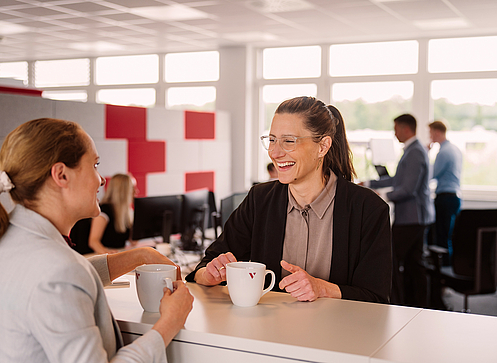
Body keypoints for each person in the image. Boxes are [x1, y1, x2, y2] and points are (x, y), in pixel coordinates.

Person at [0, 118, 193, 363]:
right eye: (95, 165)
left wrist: (138, 256)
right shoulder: (58, 270)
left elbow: (65, 278)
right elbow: (62, 277)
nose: (101, 180)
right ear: (61, 175)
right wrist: (169, 323)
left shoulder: (13, 238)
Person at [186, 96, 392, 303]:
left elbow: (376, 297)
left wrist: (322, 288)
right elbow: (206, 266)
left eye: (289, 141)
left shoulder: (369, 209)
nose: (274, 153)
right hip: (269, 332)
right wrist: (209, 274)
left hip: (338, 331)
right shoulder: (259, 200)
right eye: (272, 140)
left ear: (322, 146)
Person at [363, 114, 434, 307]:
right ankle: (417, 303)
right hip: (415, 217)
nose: (394, 133)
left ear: (405, 129)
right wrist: (369, 183)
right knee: (414, 263)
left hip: (412, 218)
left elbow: (408, 189)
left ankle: (399, 302)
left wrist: (381, 196)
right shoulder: (412, 150)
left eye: (396, 129)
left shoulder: (415, 152)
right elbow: (396, 179)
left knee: (393, 260)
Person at [428, 120, 462, 265]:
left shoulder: (444, 152)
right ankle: (448, 271)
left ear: (437, 132)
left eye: (430, 133)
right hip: (454, 197)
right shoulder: (455, 149)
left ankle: (444, 273)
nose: (430, 137)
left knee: (441, 237)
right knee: (448, 236)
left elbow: (431, 174)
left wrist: (425, 153)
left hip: (445, 198)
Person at [89, 173, 137, 254]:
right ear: (123, 191)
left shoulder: (126, 212)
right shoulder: (104, 210)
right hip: (104, 256)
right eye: (132, 188)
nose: (136, 191)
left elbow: (132, 241)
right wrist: (108, 253)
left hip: (119, 253)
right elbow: (93, 242)